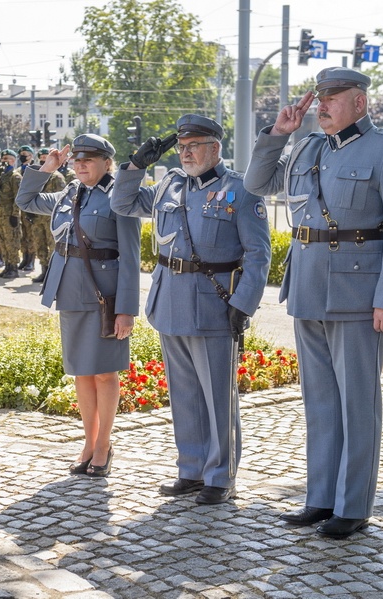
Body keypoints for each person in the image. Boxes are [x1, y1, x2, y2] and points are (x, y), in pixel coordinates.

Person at [243, 67, 383, 538]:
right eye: (318, 97)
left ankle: (352, 505)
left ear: (359, 102)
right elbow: (257, 184)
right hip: (307, 290)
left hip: (359, 296)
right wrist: (278, 135)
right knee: (320, 403)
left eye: (332, 97)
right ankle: (320, 499)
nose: (320, 106)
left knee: (357, 404)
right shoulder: (307, 147)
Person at [111, 115, 271, 504]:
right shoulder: (169, 184)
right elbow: (122, 202)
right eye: (181, 147)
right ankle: (192, 469)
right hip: (170, 301)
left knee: (218, 397)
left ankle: (220, 475)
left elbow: (258, 255)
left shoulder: (241, 190)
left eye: (193, 146)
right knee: (183, 394)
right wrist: (135, 166)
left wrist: (243, 304)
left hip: (214, 304)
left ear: (215, 148)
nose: (185, 153)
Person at [17, 134, 141, 478]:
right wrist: (48, 167)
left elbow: (132, 257)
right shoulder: (69, 193)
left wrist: (127, 309)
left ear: (106, 163)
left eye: (89, 159)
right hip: (70, 289)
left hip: (105, 294)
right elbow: (26, 200)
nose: (81, 165)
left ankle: (104, 444)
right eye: (77, 160)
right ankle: (88, 443)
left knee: (104, 372)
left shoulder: (120, 197)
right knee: (82, 371)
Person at [32, 148, 65, 283]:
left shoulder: (57, 178)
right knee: (40, 244)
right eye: (41, 158)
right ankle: (44, 271)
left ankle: (54, 274)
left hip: (51, 220)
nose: (43, 161)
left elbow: (63, 199)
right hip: (37, 218)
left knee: (53, 247)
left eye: (46, 158)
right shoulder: (36, 177)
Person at [0, 149, 23, 279]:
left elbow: (18, 197)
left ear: (13, 161)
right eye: (3, 158)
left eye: (7, 159)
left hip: (10, 215)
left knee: (12, 242)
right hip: (0, 215)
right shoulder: (2, 176)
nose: (3, 161)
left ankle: (14, 268)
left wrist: (15, 215)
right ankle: (7, 266)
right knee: (3, 241)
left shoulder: (15, 177)